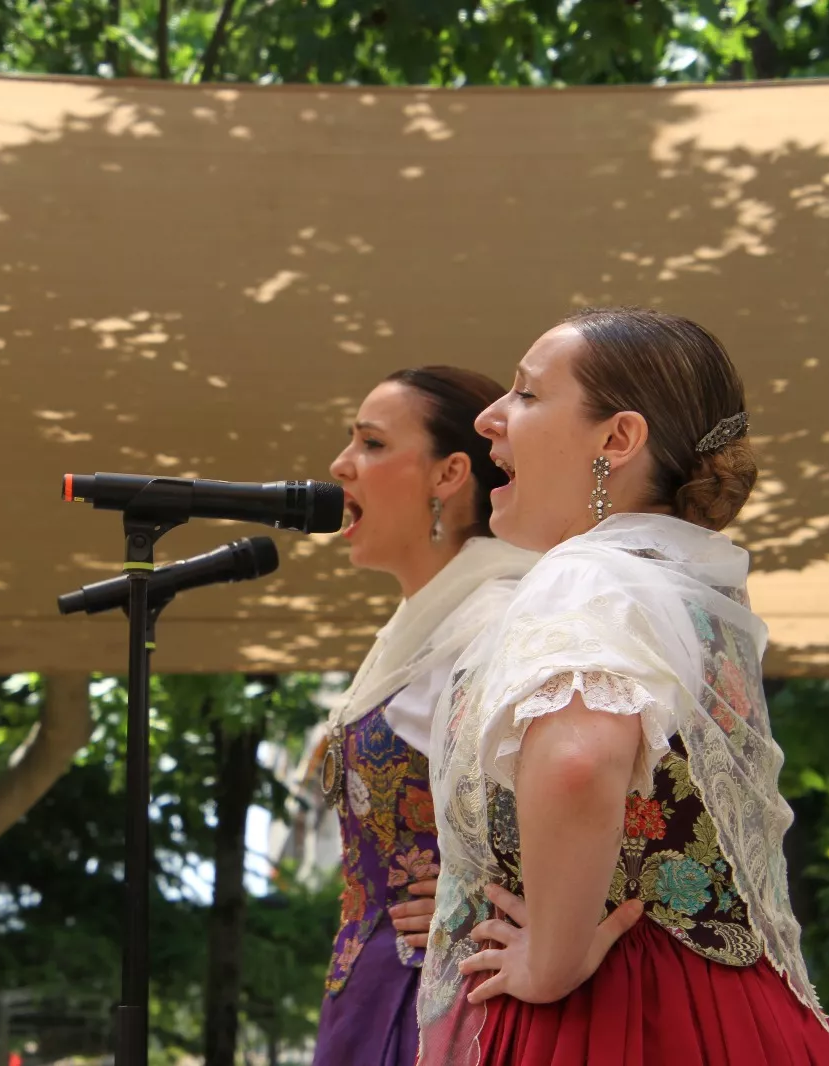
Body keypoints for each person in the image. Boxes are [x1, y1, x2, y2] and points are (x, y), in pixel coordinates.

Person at [416, 308, 829, 1065]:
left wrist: (550, 960)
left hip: (617, 1016)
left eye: (524, 394)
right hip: (730, 1010)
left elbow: (580, 757)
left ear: (616, 439)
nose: (489, 419)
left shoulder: (591, 577)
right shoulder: (677, 587)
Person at [311, 366, 538, 1066]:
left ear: (449, 475)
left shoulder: (498, 623)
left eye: (372, 444)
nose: (340, 465)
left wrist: (498, 891)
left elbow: (602, 792)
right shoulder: (419, 628)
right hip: (378, 986)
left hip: (444, 1004)